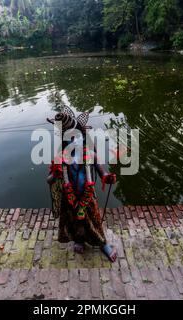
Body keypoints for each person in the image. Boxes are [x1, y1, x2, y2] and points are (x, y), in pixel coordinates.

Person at [46, 106, 118, 262]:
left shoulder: (91, 154)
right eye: (69, 137)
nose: (73, 140)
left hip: (87, 196)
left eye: (76, 136)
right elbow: (50, 179)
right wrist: (54, 175)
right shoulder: (60, 158)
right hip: (69, 197)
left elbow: (102, 172)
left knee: (94, 221)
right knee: (74, 222)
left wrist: (107, 177)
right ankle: (79, 240)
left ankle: (102, 244)